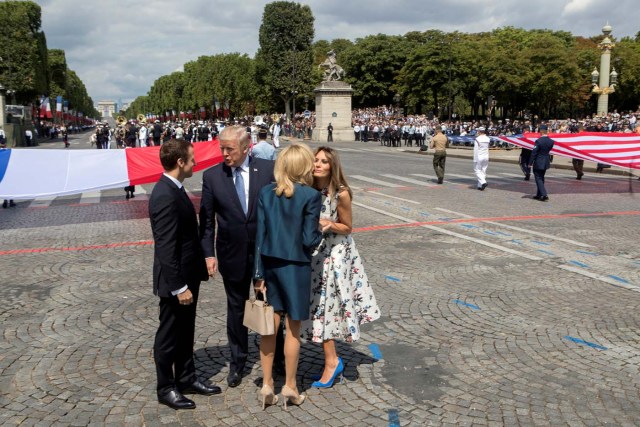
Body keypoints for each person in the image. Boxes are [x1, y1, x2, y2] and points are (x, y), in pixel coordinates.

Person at [199, 125, 284, 388]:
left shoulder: (268, 171)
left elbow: (280, 211)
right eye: (221, 148)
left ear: (246, 146)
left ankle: (278, 357)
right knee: (236, 308)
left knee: (269, 305)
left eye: (230, 149)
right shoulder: (212, 176)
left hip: (265, 252)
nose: (224, 154)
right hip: (231, 252)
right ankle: (238, 362)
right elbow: (207, 220)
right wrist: (208, 254)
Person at [148, 139, 221, 410]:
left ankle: (187, 377)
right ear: (180, 162)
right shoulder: (165, 194)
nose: (195, 163)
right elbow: (166, 247)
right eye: (191, 159)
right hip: (175, 282)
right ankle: (166, 387)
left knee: (185, 330)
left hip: (187, 276)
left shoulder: (174, 188)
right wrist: (179, 287)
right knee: (169, 335)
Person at [304, 146, 380, 389]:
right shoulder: (308, 189)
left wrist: (328, 223)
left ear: (332, 166)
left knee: (326, 307)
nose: (317, 164)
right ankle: (330, 358)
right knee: (317, 306)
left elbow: (347, 227)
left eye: (324, 162)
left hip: (336, 254)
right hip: (314, 254)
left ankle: (332, 361)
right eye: (315, 160)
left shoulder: (341, 193)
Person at [253, 144, 323, 410]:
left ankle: (267, 384)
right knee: (293, 330)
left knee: (268, 329)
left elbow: (259, 237)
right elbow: (308, 239)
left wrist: (258, 275)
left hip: (269, 266)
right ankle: (290, 386)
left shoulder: (266, 193)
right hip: (296, 268)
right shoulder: (310, 196)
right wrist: (321, 230)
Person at [529, 124, 555, 202]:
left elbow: (534, 153)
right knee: (541, 177)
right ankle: (539, 194)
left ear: (540, 131)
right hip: (546, 161)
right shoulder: (551, 141)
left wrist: (530, 162)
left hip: (538, 161)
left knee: (538, 178)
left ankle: (544, 194)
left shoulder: (538, 141)